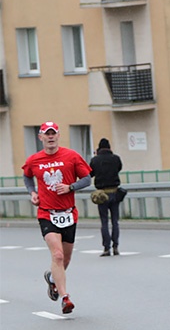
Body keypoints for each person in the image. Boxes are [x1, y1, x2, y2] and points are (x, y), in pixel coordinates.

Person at [22, 122, 93, 314]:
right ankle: (65, 298)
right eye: (47, 134)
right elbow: (27, 176)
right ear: (41, 137)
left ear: (58, 135)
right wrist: (32, 193)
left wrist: (70, 187)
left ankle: (52, 280)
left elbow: (87, 178)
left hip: (69, 213)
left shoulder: (71, 156)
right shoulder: (34, 160)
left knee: (66, 259)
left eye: (54, 134)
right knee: (58, 255)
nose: (51, 137)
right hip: (47, 213)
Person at [89, 138, 123, 257]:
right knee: (115, 221)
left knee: (104, 222)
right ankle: (116, 246)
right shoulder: (116, 159)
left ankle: (106, 248)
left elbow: (90, 173)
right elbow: (119, 168)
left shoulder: (95, 160)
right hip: (115, 192)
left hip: (101, 194)